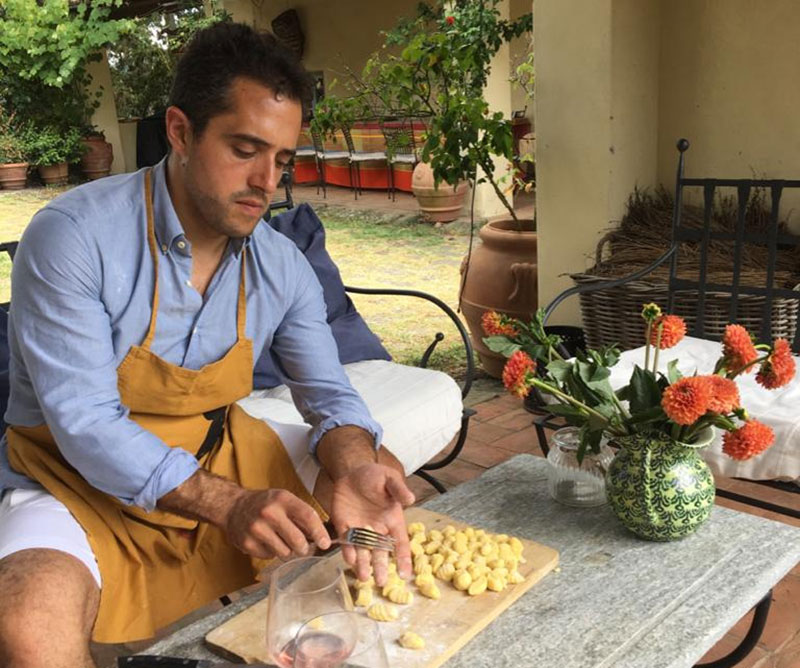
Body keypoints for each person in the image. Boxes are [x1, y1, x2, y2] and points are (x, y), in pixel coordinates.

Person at [0, 22, 415, 668]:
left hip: (214, 452)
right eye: (245, 148)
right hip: (73, 483)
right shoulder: (72, 239)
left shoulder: (280, 265)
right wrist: (229, 503)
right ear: (179, 131)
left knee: (371, 469)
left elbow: (330, 397)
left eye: (280, 158)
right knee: (28, 629)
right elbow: (83, 425)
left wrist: (354, 460)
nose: (266, 181)